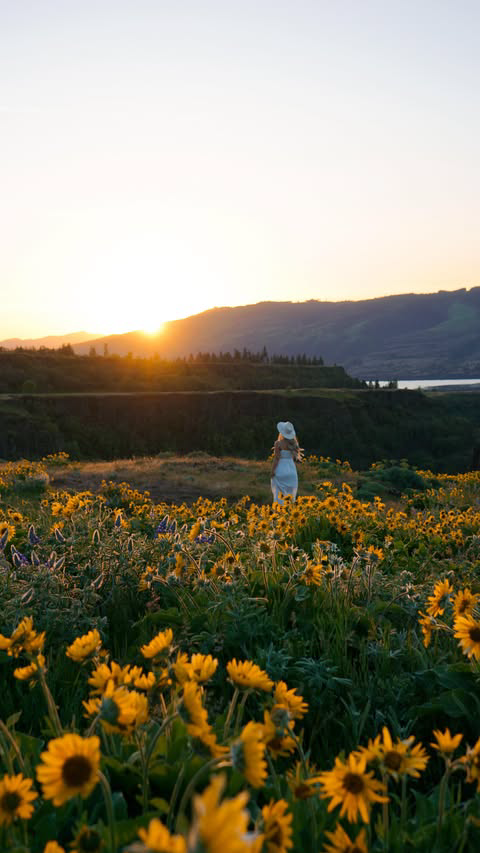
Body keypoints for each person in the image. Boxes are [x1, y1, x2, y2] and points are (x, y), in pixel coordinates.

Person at [270, 421, 303, 504]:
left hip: (281, 469)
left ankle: (279, 511)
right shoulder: (294, 444)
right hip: (291, 470)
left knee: (278, 493)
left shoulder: (278, 443)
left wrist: (272, 471)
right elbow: (292, 457)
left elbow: (276, 459)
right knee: (290, 494)